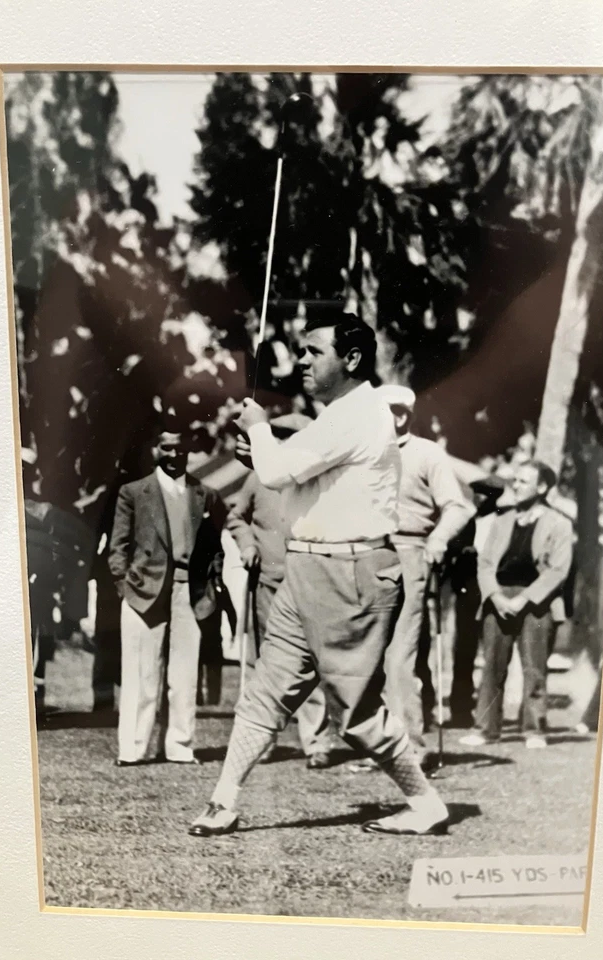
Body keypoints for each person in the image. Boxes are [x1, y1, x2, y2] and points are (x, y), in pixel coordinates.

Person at [189, 309, 449, 837]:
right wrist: (261, 446)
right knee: (265, 690)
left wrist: (261, 433)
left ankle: (425, 803)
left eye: (314, 352)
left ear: (351, 359)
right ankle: (224, 800)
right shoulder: (337, 415)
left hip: (351, 572)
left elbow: (280, 470)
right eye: (302, 351)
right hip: (309, 569)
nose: (302, 360)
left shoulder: (359, 412)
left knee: (353, 715)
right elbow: (293, 479)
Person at [362, 385, 474, 768]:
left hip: (410, 555)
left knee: (399, 657)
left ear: (400, 415)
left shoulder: (428, 453)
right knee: (366, 656)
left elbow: (458, 508)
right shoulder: (363, 454)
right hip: (364, 556)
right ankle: (376, 745)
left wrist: (439, 537)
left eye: (384, 412)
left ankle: (410, 746)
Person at [108, 431, 227, 766]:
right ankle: (133, 748)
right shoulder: (133, 492)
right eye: (166, 448)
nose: (174, 454)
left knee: (185, 674)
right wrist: (124, 583)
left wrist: (212, 581)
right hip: (143, 591)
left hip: (190, 592)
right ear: (154, 449)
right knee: (142, 673)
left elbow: (214, 546)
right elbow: (117, 546)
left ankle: (179, 746)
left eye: (181, 449)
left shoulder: (205, 494)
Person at [225, 433, 334, 768]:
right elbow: (235, 518)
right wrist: (248, 546)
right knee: (266, 664)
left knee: (310, 661)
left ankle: (316, 742)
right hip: (269, 586)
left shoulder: (316, 479)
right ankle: (262, 740)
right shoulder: (257, 478)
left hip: (308, 583)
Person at [460, 461, 573, 749]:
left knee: (535, 668)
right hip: (498, 599)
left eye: (524, 481)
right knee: (492, 667)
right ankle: (485, 728)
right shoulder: (502, 520)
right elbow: (485, 563)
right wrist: (495, 596)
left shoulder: (558, 523)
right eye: (516, 481)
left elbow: (558, 571)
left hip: (536, 603)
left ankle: (534, 729)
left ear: (542, 487)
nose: (517, 487)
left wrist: (524, 598)